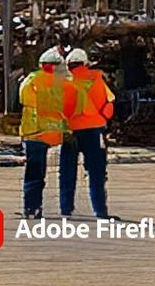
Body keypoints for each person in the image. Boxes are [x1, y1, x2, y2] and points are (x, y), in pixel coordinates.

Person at [58, 46, 114, 220]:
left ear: (68, 65)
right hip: (94, 131)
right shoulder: (98, 80)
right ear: (86, 64)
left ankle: (66, 210)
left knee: (67, 171)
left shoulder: (64, 83)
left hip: (70, 131)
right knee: (96, 173)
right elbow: (109, 107)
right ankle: (100, 212)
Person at [17, 48, 68, 220]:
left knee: (34, 172)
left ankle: (31, 207)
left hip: (33, 133)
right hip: (48, 133)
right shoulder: (59, 82)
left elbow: (23, 99)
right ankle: (34, 207)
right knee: (40, 172)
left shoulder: (30, 80)